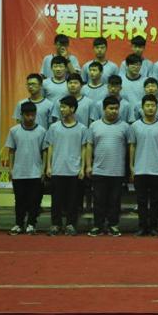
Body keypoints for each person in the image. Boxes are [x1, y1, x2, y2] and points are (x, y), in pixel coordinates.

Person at [85, 96, 130, 237]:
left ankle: (113, 225)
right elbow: (89, 146)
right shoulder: (94, 126)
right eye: (111, 108)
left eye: (116, 108)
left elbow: (130, 148)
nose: (114, 111)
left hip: (117, 170)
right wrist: (88, 165)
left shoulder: (125, 127)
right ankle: (98, 225)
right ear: (104, 109)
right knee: (98, 200)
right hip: (99, 169)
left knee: (114, 201)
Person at [45, 96, 89, 236]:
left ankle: (71, 224)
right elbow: (50, 147)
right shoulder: (54, 127)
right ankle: (56, 224)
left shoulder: (82, 128)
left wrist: (82, 168)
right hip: (57, 169)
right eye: (61, 107)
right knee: (56, 200)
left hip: (74, 171)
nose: (61, 109)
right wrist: (49, 166)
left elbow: (84, 148)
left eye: (64, 107)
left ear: (72, 109)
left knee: (73, 201)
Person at [129, 94, 158, 237]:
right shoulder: (135, 126)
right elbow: (132, 146)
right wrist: (131, 166)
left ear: (157, 108)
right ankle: (142, 227)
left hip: (157, 169)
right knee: (141, 201)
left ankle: (153, 227)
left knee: (155, 201)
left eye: (153, 105)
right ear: (142, 108)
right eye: (147, 105)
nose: (150, 108)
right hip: (140, 168)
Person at [5, 101, 47, 235]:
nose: (30, 117)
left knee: (35, 201)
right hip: (19, 172)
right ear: (21, 115)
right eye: (27, 115)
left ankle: (31, 224)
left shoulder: (42, 131)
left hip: (36, 172)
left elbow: (45, 151)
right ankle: (18, 224)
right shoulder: (14, 131)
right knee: (19, 200)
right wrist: (11, 169)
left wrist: (43, 169)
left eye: (33, 115)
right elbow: (11, 151)